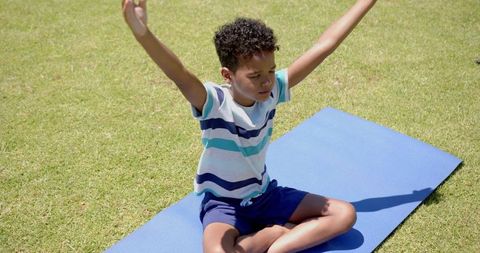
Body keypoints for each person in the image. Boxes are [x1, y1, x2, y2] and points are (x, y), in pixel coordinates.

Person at [121, 0, 376, 252]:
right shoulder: (213, 102)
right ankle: (278, 232)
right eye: (255, 76)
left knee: (344, 214)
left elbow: (324, 46)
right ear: (227, 74)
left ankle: (277, 245)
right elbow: (178, 73)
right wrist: (143, 34)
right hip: (223, 205)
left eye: (271, 71)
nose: (266, 82)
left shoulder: (273, 89)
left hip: (265, 197)